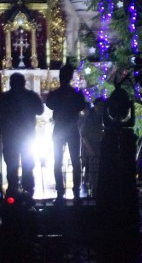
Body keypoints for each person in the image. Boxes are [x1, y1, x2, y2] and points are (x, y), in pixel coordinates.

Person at [0, 72, 44, 200]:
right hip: (26, 135)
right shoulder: (31, 96)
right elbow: (40, 110)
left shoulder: (5, 97)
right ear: (24, 83)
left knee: (12, 163)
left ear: (11, 83)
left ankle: (13, 188)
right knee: (27, 163)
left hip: (11, 135)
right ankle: (27, 188)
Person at [46, 65, 87, 205]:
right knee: (75, 161)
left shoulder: (56, 94)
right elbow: (82, 106)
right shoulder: (76, 93)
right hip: (71, 128)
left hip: (61, 128)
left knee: (59, 162)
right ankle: (75, 192)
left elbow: (50, 104)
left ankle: (60, 192)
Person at [79, 96, 105, 198]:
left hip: (101, 147)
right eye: (99, 106)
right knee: (94, 174)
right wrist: (90, 150)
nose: (100, 108)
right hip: (93, 148)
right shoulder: (90, 118)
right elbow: (84, 135)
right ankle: (94, 193)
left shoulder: (104, 117)